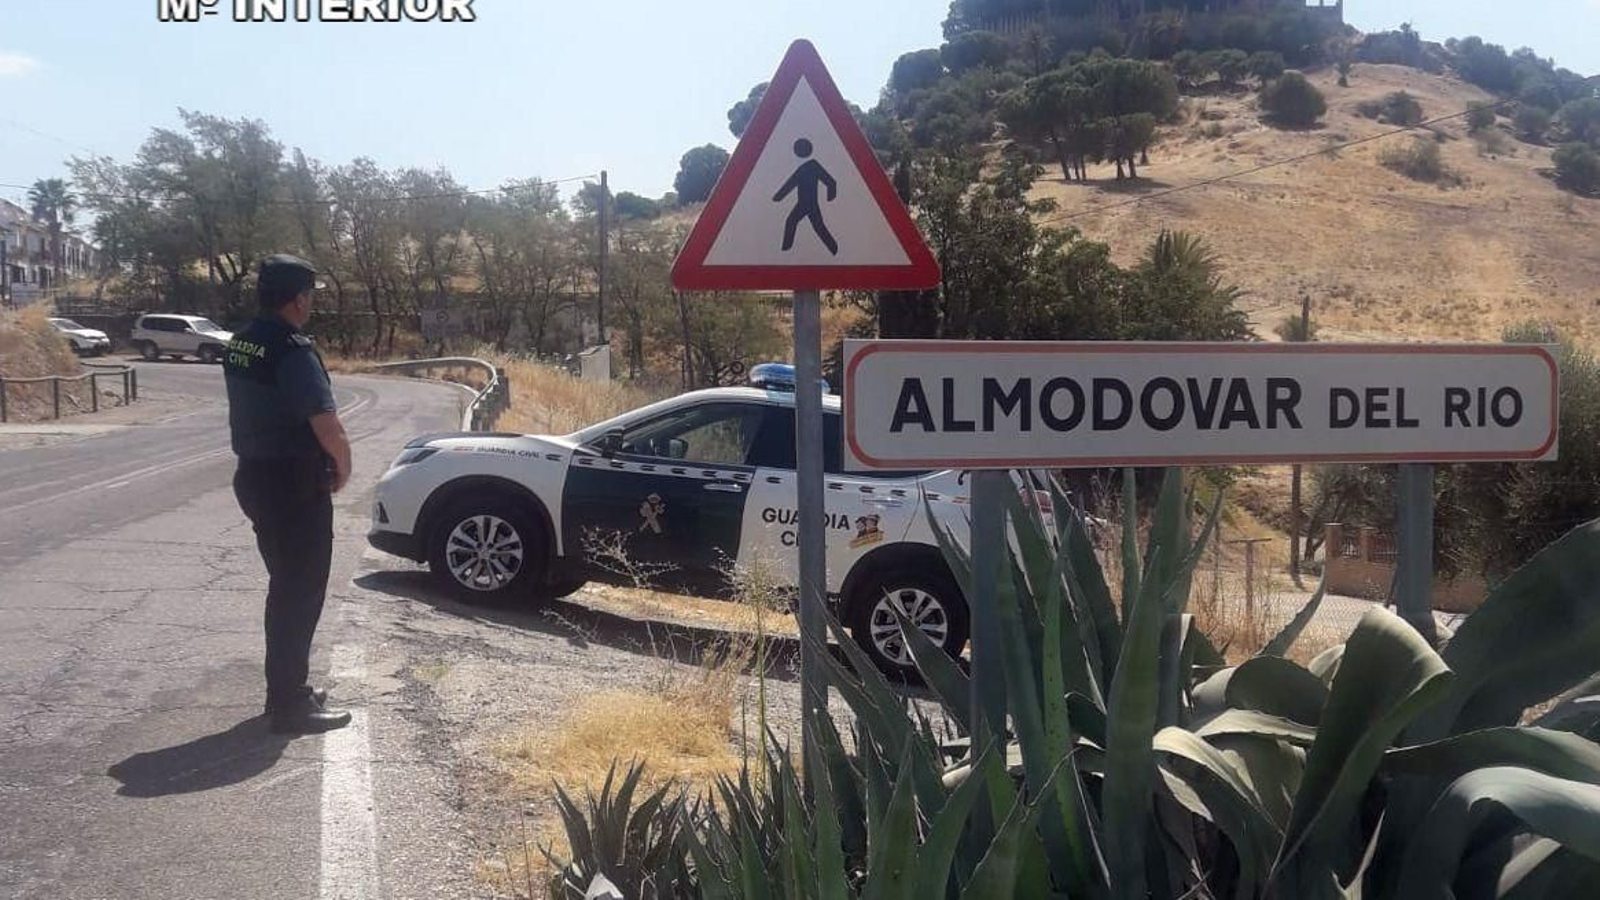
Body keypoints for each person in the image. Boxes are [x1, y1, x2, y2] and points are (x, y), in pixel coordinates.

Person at [225, 254, 353, 734]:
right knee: (299, 594)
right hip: (294, 484)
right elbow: (326, 424)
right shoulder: (292, 349)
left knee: (286, 588)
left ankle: (285, 690)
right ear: (299, 298)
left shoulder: (241, 342)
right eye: (311, 295)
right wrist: (343, 463)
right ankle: (289, 704)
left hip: (255, 478)